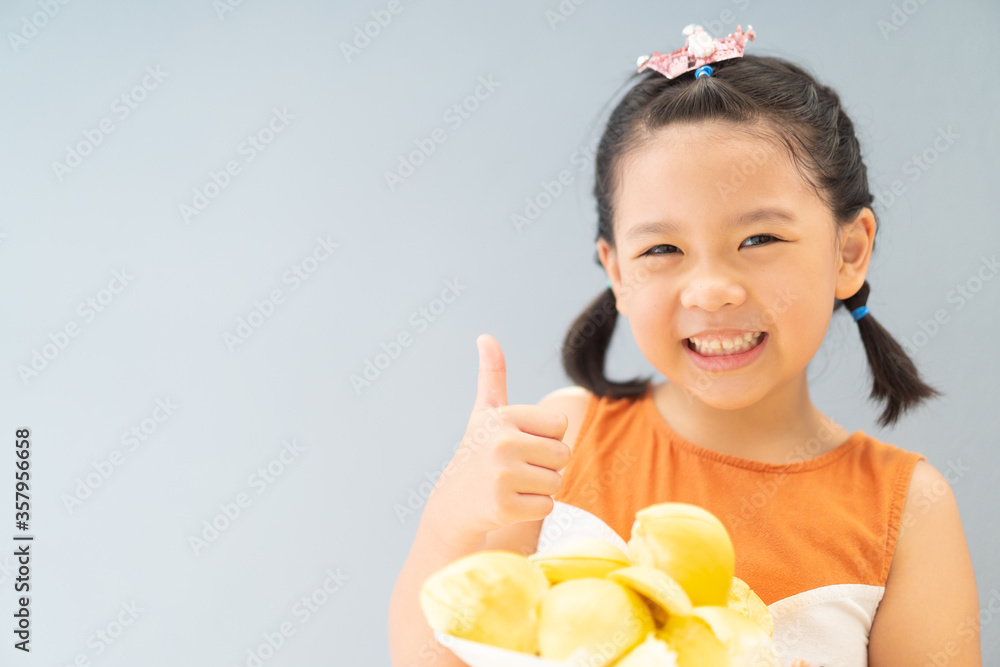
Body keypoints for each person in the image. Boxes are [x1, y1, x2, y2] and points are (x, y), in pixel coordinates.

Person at [388, 24, 981, 667]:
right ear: (617, 272)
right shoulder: (559, 446)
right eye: (662, 249)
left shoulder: (908, 508)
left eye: (759, 240)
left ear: (849, 251)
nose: (711, 291)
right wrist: (452, 519)